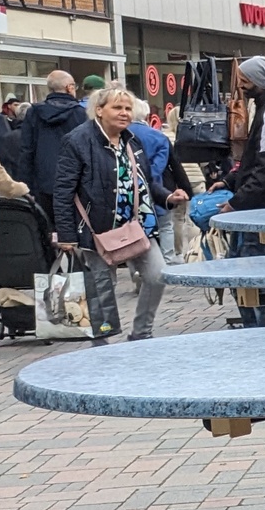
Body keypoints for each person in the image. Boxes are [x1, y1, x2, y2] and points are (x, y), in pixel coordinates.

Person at [54, 85, 180, 341]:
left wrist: (166, 196)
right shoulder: (78, 140)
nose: (124, 113)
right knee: (103, 289)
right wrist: (67, 235)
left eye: (127, 108)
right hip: (97, 228)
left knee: (157, 276)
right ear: (99, 111)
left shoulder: (132, 140)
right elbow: (63, 191)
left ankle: (141, 333)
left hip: (137, 225)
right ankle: (102, 342)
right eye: (117, 107)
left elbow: (144, 179)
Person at [221, 56, 265, 212]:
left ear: (259, 81)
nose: (240, 85)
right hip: (264, 204)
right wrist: (230, 181)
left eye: (245, 81)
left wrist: (237, 202)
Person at [17, 71, 89, 223]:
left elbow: (26, 150)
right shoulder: (81, 114)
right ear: (69, 88)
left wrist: (25, 185)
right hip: (75, 182)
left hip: (42, 183)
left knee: (46, 230)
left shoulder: (33, 112)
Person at [128, 96, 193, 263]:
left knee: (133, 229)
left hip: (130, 191)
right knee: (165, 226)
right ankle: (168, 259)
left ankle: (137, 267)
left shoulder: (122, 135)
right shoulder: (158, 136)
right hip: (159, 188)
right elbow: (166, 164)